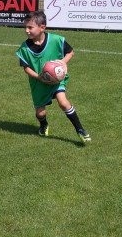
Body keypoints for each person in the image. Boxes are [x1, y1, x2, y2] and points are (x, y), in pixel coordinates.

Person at [16, 11, 91, 143]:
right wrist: (38, 77)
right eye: (25, 27)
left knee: (63, 102)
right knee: (40, 113)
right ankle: (43, 124)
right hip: (38, 83)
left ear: (42, 27)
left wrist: (63, 62)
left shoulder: (56, 40)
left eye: (30, 27)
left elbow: (70, 52)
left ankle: (80, 129)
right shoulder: (24, 48)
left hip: (56, 80)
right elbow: (26, 68)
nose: (26, 30)